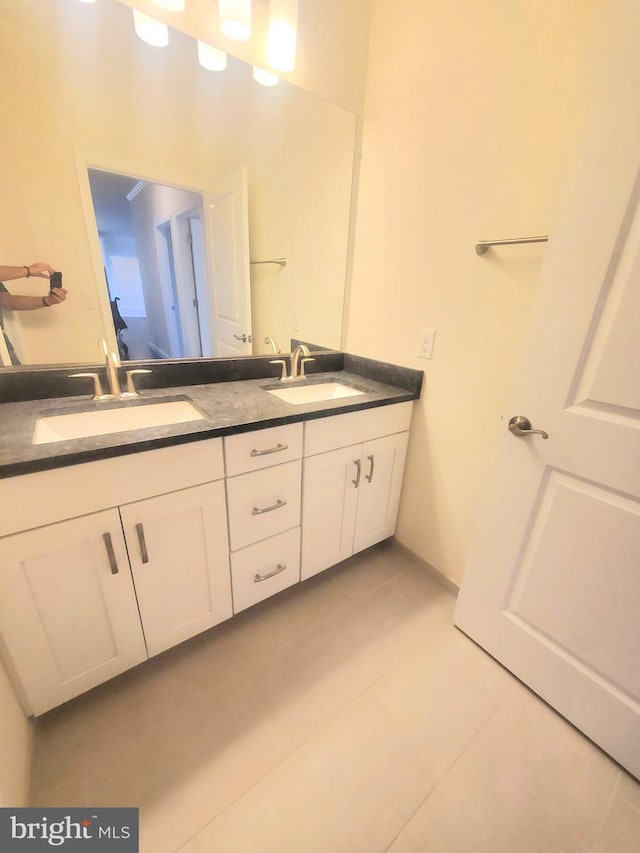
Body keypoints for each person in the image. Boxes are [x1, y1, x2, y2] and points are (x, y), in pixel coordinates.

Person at [0, 262, 67, 365]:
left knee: (19, 380)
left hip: (2, 342)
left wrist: (47, 301)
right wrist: (28, 270)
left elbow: (6, 301)